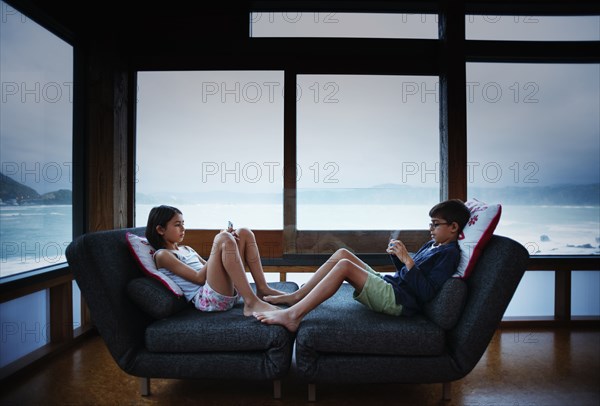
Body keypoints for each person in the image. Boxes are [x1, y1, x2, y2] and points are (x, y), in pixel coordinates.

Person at [253, 199, 471, 332]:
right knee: (342, 254)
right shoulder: (434, 245)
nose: (430, 229)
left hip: (400, 301)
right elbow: (408, 273)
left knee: (345, 266)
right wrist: (398, 257)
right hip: (393, 286)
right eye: (430, 224)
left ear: (453, 227)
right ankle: (297, 296)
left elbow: (426, 292)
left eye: (435, 224)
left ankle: (293, 316)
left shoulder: (449, 255)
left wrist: (408, 260)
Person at [146, 205, 283, 316]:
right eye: (177, 225)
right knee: (223, 238)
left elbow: (211, 267)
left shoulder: (187, 249)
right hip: (207, 299)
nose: (183, 228)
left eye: (183, 224)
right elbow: (199, 278)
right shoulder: (163, 255)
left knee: (243, 232)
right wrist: (220, 243)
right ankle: (251, 302)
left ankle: (262, 289)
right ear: (160, 229)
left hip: (223, 291)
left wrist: (228, 244)